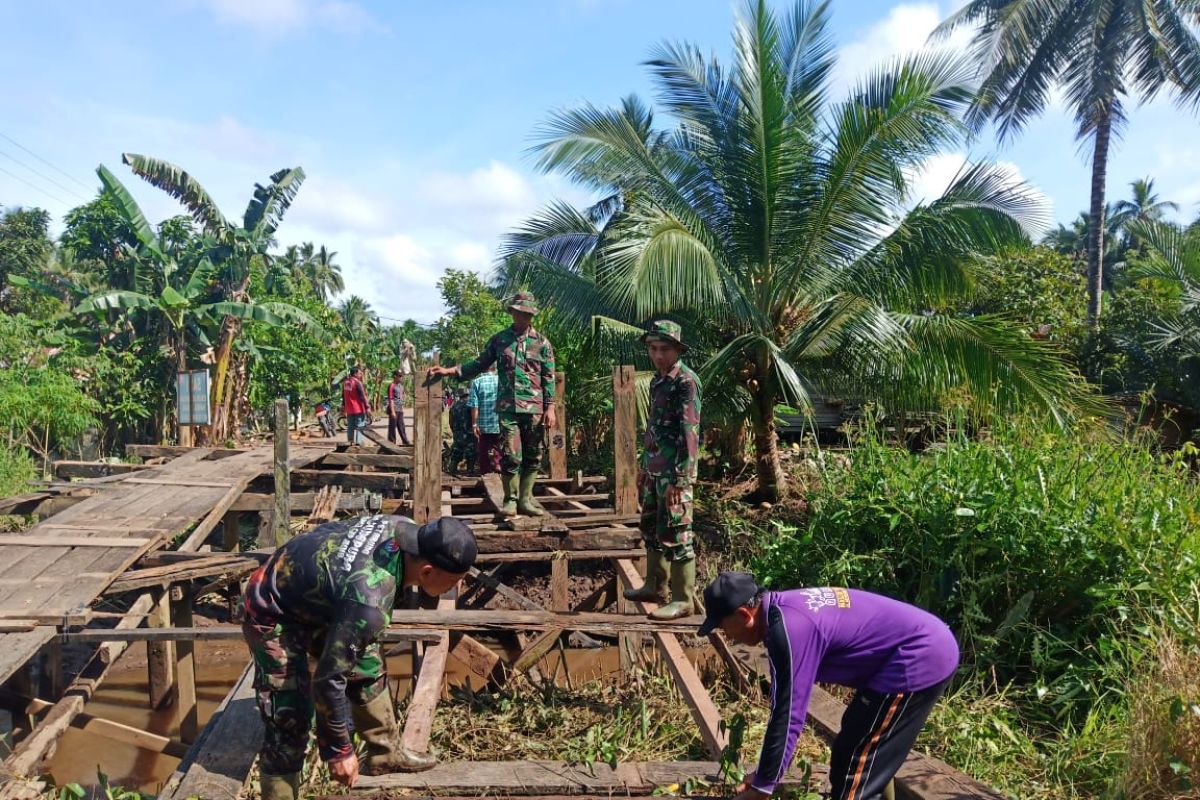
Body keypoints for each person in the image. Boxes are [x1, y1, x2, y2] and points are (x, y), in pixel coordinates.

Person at [242, 515, 477, 799]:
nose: (457, 588)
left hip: (321, 589)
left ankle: (385, 754)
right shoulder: (369, 603)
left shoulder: (402, 526)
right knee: (289, 716)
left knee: (366, 664)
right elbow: (329, 679)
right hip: (273, 603)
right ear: (426, 572)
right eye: (454, 581)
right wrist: (339, 750)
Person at [698, 572, 960, 800]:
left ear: (745, 614)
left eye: (723, 627)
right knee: (856, 741)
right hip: (911, 651)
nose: (727, 636)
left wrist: (763, 786)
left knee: (854, 767)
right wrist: (765, 777)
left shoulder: (788, 630)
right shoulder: (783, 610)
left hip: (919, 656)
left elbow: (787, 714)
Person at [427, 291, 556, 517]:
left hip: (534, 408)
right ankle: (511, 500)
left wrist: (550, 407)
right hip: (507, 408)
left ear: (531, 315)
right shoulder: (500, 340)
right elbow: (479, 363)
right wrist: (451, 371)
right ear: (513, 312)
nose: (522, 317)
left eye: (526, 313)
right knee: (510, 454)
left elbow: (548, 376)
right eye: (518, 312)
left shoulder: (542, 343)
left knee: (533, 455)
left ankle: (526, 500)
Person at [623, 321, 702, 620]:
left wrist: (681, 480)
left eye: (664, 349)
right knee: (652, 530)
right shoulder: (658, 381)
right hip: (656, 469)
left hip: (675, 474)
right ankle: (655, 586)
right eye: (653, 349)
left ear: (678, 350)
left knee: (679, 533)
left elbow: (690, 433)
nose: (658, 355)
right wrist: (645, 465)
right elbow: (655, 428)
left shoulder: (686, 382)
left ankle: (683, 600)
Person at [469, 365, 501, 474]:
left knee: (483, 449)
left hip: (483, 424)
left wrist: (474, 424)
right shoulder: (501, 380)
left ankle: (485, 471)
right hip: (499, 422)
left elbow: (474, 405)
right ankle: (498, 465)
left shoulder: (476, 382)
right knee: (499, 446)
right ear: (495, 368)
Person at [446, 385, 476, 476]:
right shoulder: (471, 405)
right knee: (471, 453)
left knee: (456, 451)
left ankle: (452, 470)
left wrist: (454, 431)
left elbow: (450, 420)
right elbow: (475, 417)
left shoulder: (454, 406)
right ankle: (470, 471)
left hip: (458, 433)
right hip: (469, 434)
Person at [341, 367, 370, 445]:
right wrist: (367, 407)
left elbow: (343, 395)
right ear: (355, 374)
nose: (361, 375)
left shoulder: (346, 382)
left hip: (349, 409)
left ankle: (350, 441)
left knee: (350, 426)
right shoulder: (357, 382)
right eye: (360, 373)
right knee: (360, 425)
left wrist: (343, 406)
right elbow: (362, 396)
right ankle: (359, 442)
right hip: (358, 408)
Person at [386, 370, 410, 445]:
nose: (400, 378)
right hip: (394, 409)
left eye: (401, 376)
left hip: (399, 409)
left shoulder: (401, 386)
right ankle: (391, 442)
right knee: (392, 427)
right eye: (399, 376)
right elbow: (391, 399)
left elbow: (401, 398)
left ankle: (405, 441)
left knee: (401, 426)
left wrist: (402, 408)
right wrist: (392, 411)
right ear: (395, 376)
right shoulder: (392, 386)